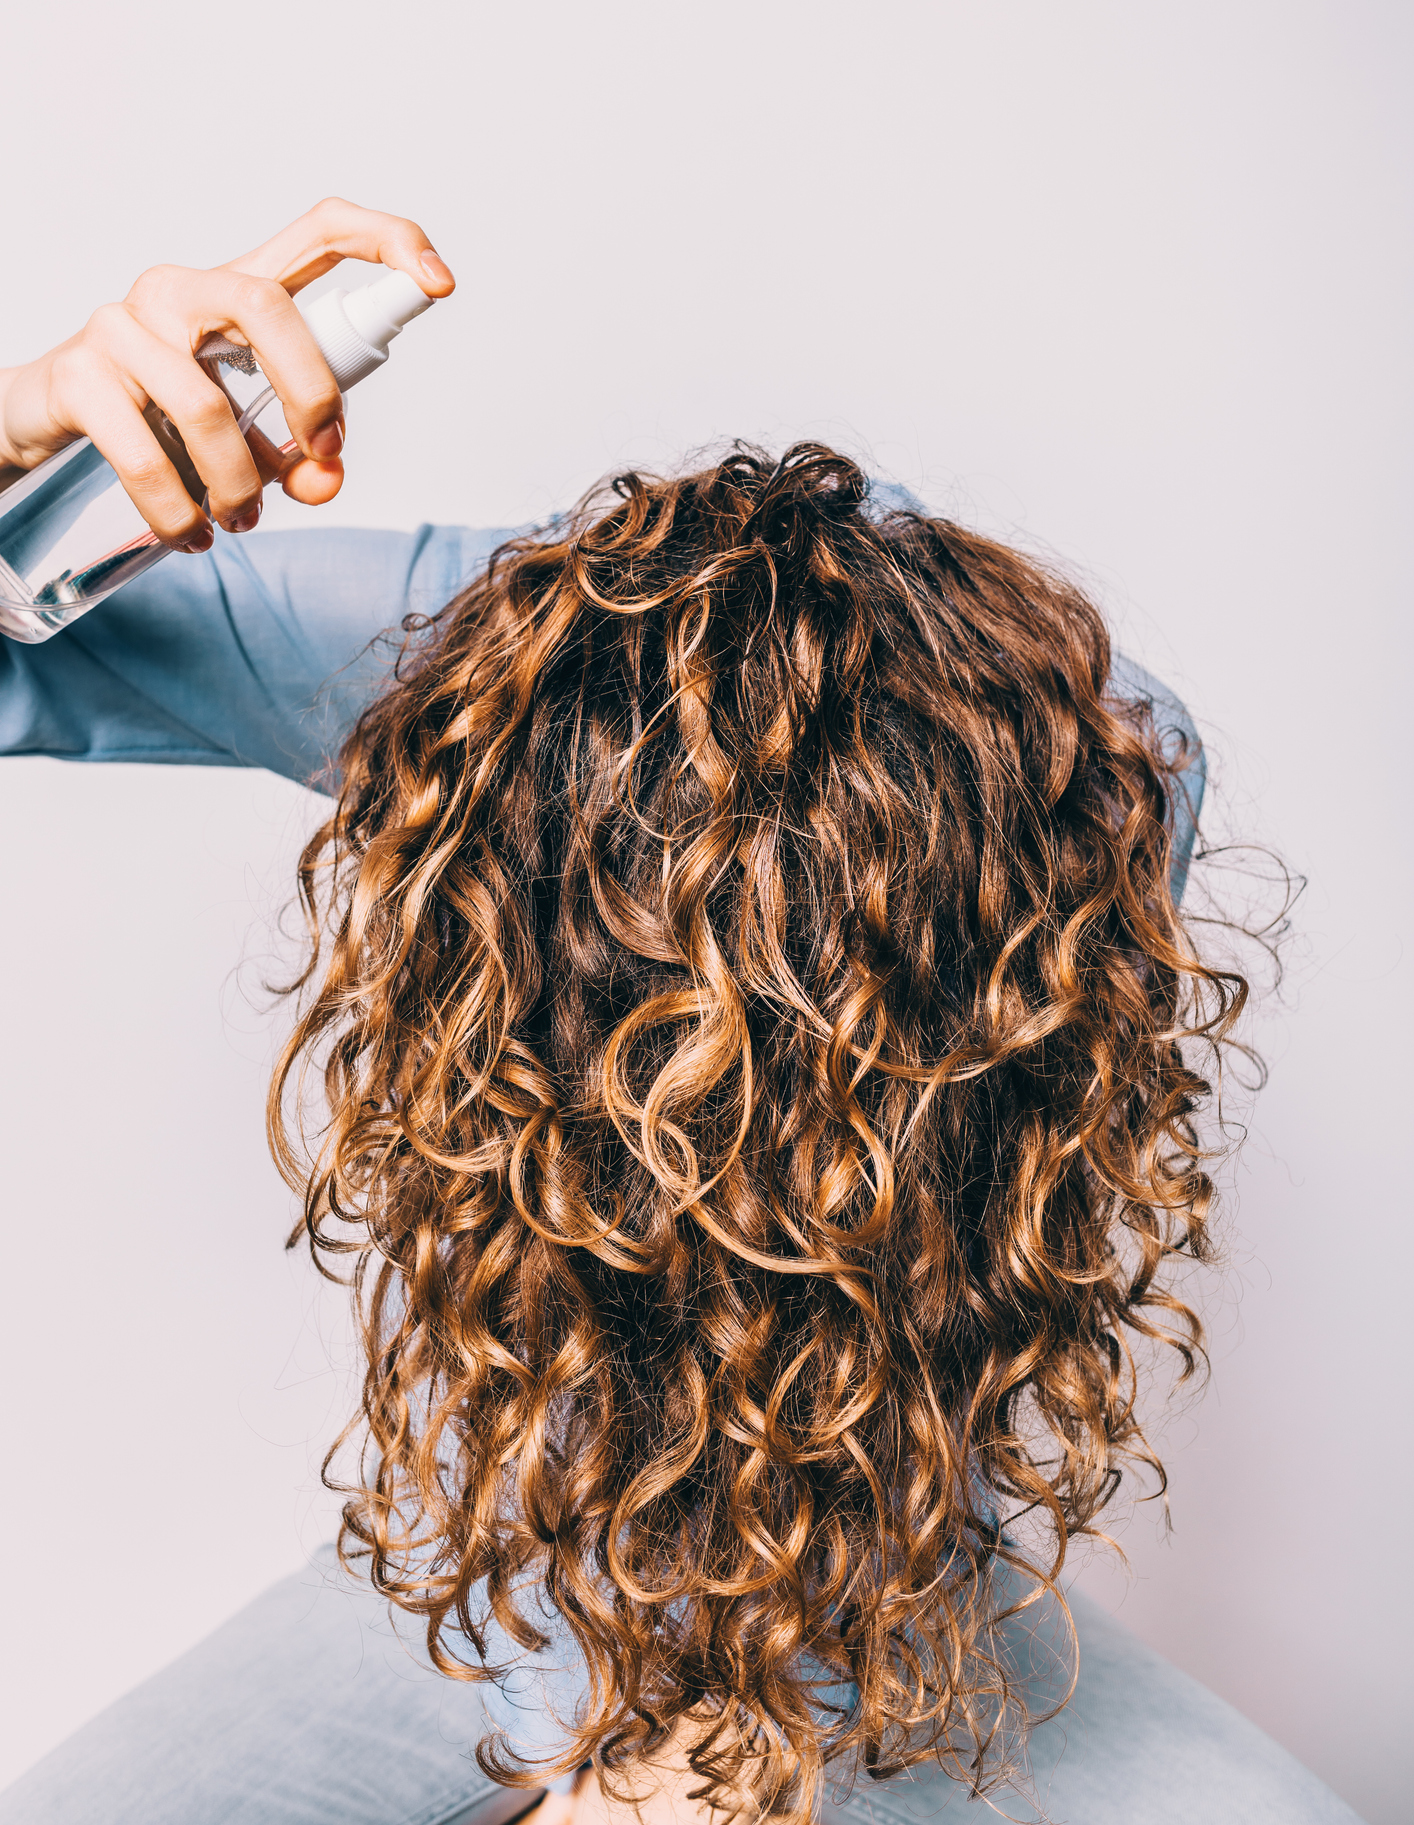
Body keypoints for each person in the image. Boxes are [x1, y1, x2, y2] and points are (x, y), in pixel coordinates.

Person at [0, 205, 1358, 1825]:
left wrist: (717, 1758)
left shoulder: (1099, 773)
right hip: (487, 1551)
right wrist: (21, 422)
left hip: (884, 1583)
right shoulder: (491, 675)